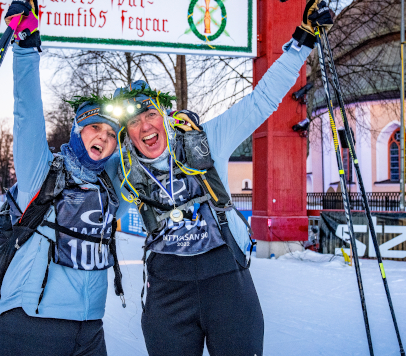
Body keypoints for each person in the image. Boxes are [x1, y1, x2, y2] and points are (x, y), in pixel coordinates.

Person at [111, 1, 333, 355]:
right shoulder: (122, 171)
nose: (145, 127)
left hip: (227, 280)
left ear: (165, 116)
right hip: (167, 292)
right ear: (126, 132)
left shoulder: (207, 138)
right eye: (133, 123)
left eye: (150, 114)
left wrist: (303, 41)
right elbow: (89, 215)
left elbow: (261, 101)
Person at [0, 1, 126, 355]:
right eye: (95, 129)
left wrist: (146, 111)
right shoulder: (42, 170)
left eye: (111, 135)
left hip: (90, 324)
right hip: (31, 320)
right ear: (77, 131)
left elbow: (147, 157)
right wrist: (26, 47)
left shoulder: (110, 185)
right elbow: (27, 114)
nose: (103, 138)